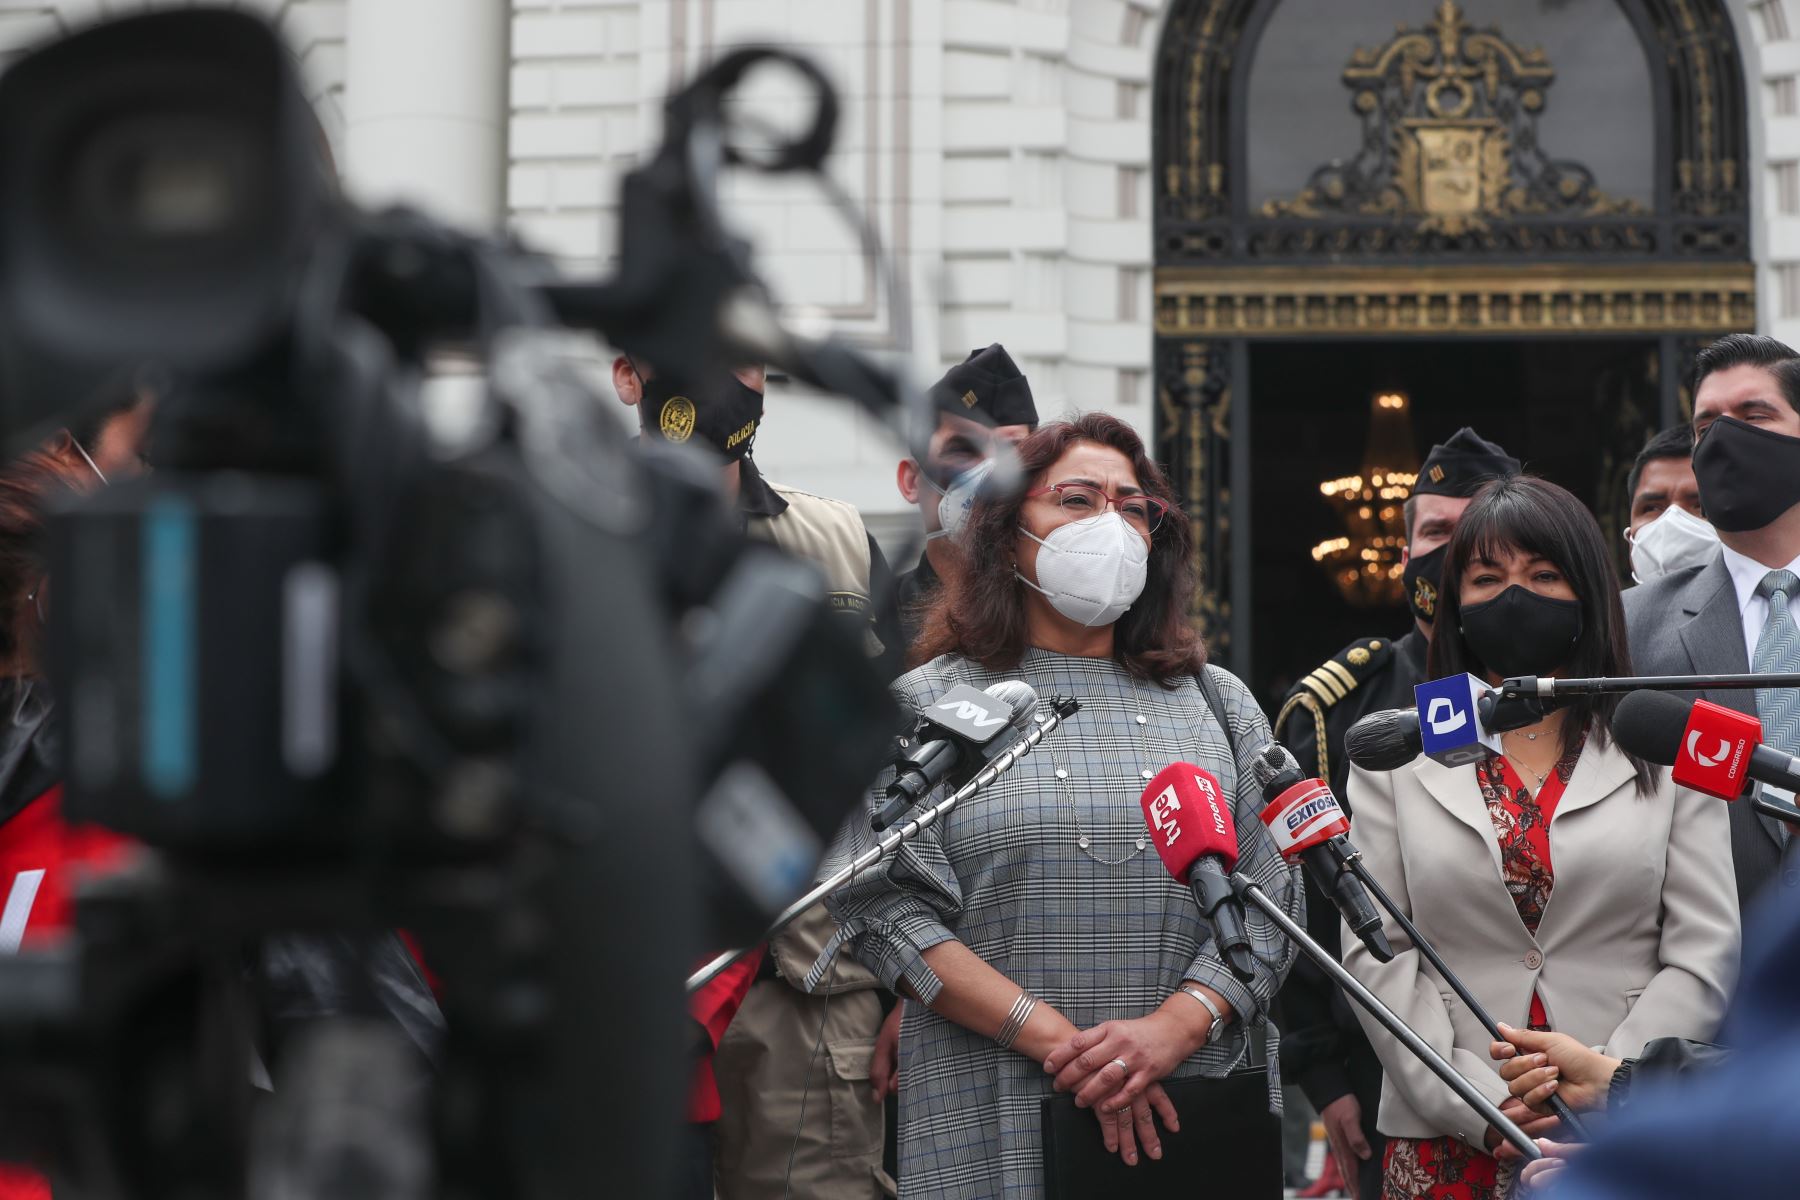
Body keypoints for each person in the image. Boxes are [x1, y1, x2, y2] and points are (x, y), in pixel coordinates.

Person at [823, 412, 1301, 1198]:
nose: (1109, 524)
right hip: (989, 1103)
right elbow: (882, 907)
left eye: (1132, 506)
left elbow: (1274, 899)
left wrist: (1169, 1032)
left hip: (1195, 1101)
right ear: (1009, 533)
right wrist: (1060, 1043)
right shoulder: (928, 706)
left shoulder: (1218, 704)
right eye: (1077, 500)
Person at [1343, 473, 1739, 1199]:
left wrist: (1610, 1083)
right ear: (1455, 605)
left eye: (1543, 574)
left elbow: (1702, 950)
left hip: (1624, 1138)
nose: (1513, 596)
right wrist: (1480, 1102)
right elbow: (1380, 959)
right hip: (1448, 1140)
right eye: (1486, 578)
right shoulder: (1398, 753)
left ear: (1588, 591)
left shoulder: (1662, 739)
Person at [610, 354, 897, 1198]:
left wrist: (913, 985)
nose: (726, 384)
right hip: (639, 994)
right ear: (630, 377)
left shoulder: (839, 542)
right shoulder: (573, 534)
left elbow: (902, 773)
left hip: (810, 997)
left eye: (744, 364)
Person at [1275, 427, 1519, 1200]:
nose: (1451, 555)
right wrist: (1322, 1076)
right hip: (1388, 1083)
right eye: (1435, 533)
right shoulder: (1337, 711)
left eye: (1474, 529)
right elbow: (1302, 912)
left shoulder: (1578, 693)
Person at [1622, 332, 1800, 911]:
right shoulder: (1632, 625)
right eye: (1706, 426)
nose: (1725, 438)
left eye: (1755, 415)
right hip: (1712, 975)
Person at [890, 344, 1039, 647]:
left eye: (1013, 452)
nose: (990, 472)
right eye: (963, 449)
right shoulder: (876, 619)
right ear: (912, 481)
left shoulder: (1057, 618)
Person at [1621, 425, 1713, 584]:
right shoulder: (1610, 609)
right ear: (1630, 538)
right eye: (1652, 508)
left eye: (1699, 505)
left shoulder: (1768, 607)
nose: (1671, 521)